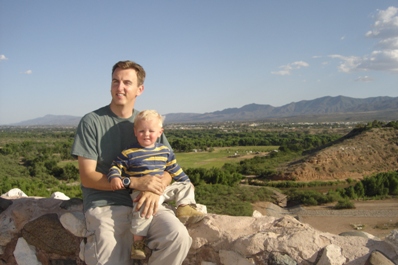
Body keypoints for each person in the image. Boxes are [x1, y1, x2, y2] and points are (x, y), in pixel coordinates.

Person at [71, 60, 192, 265]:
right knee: (109, 259)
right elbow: (87, 177)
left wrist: (155, 188)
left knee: (178, 238)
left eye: (127, 82)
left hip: (146, 201)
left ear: (139, 89)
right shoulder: (92, 122)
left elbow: (169, 168)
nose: (120, 87)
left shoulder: (147, 122)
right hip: (106, 203)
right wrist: (135, 182)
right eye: (115, 81)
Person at [107, 109, 205, 260]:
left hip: (162, 189)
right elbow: (115, 166)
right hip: (140, 191)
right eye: (142, 131)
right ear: (135, 132)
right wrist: (115, 178)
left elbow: (174, 169)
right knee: (143, 210)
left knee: (185, 186)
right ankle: (138, 243)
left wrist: (186, 182)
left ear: (160, 132)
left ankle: (184, 206)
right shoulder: (129, 153)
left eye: (151, 131)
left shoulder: (165, 151)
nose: (146, 134)